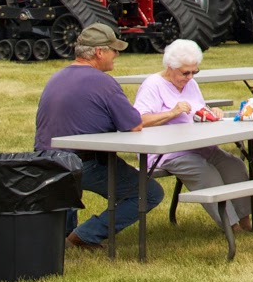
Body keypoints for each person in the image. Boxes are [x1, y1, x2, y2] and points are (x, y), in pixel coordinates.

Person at [34, 23, 164, 251]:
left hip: (46, 161)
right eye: (114, 50)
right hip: (81, 164)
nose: (117, 54)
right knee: (150, 192)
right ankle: (86, 235)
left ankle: (60, 236)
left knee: (69, 185)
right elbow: (134, 125)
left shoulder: (56, 77)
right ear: (99, 52)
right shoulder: (104, 83)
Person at [132, 39, 252, 232]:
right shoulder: (153, 85)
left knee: (234, 165)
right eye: (185, 72)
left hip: (199, 146)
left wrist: (212, 112)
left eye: (194, 72)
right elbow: (139, 120)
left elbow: (198, 110)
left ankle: (246, 221)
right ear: (170, 67)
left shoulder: (191, 84)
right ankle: (232, 227)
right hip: (169, 152)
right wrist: (171, 113)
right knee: (206, 174)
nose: (189, 77)